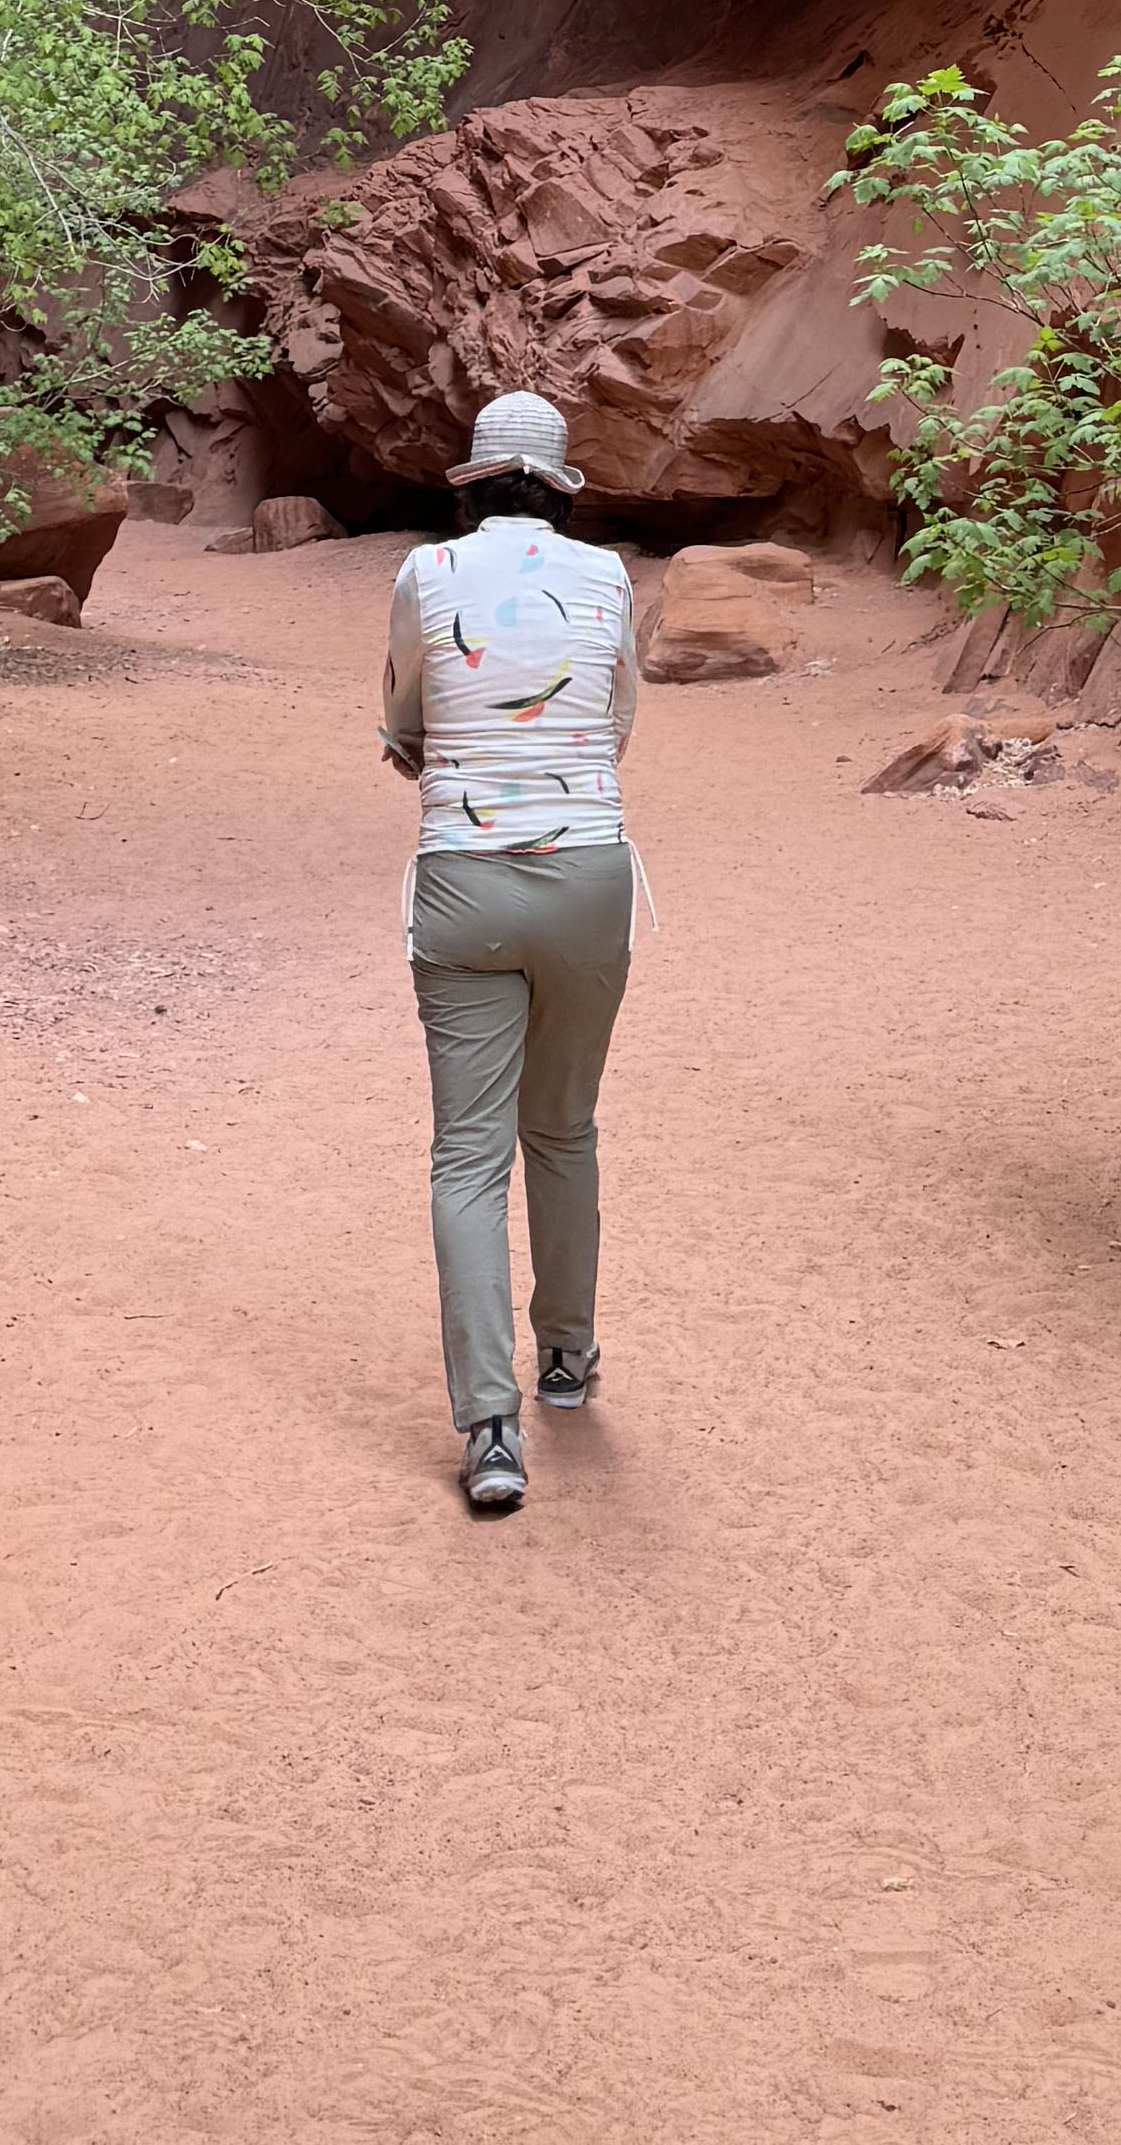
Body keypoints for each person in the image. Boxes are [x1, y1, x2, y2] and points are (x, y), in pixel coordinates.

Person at [379, 388, 641, 1517]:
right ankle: (569, 1363)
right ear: (560, 486)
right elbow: (620, 713)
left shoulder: (426, 577)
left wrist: (426, 757)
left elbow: (403, 712)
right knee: (563, 1124)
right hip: (587, 872)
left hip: (463, 882)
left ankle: (490, 1428)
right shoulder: (609, 579)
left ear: (477, 482)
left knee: (466, 1157)